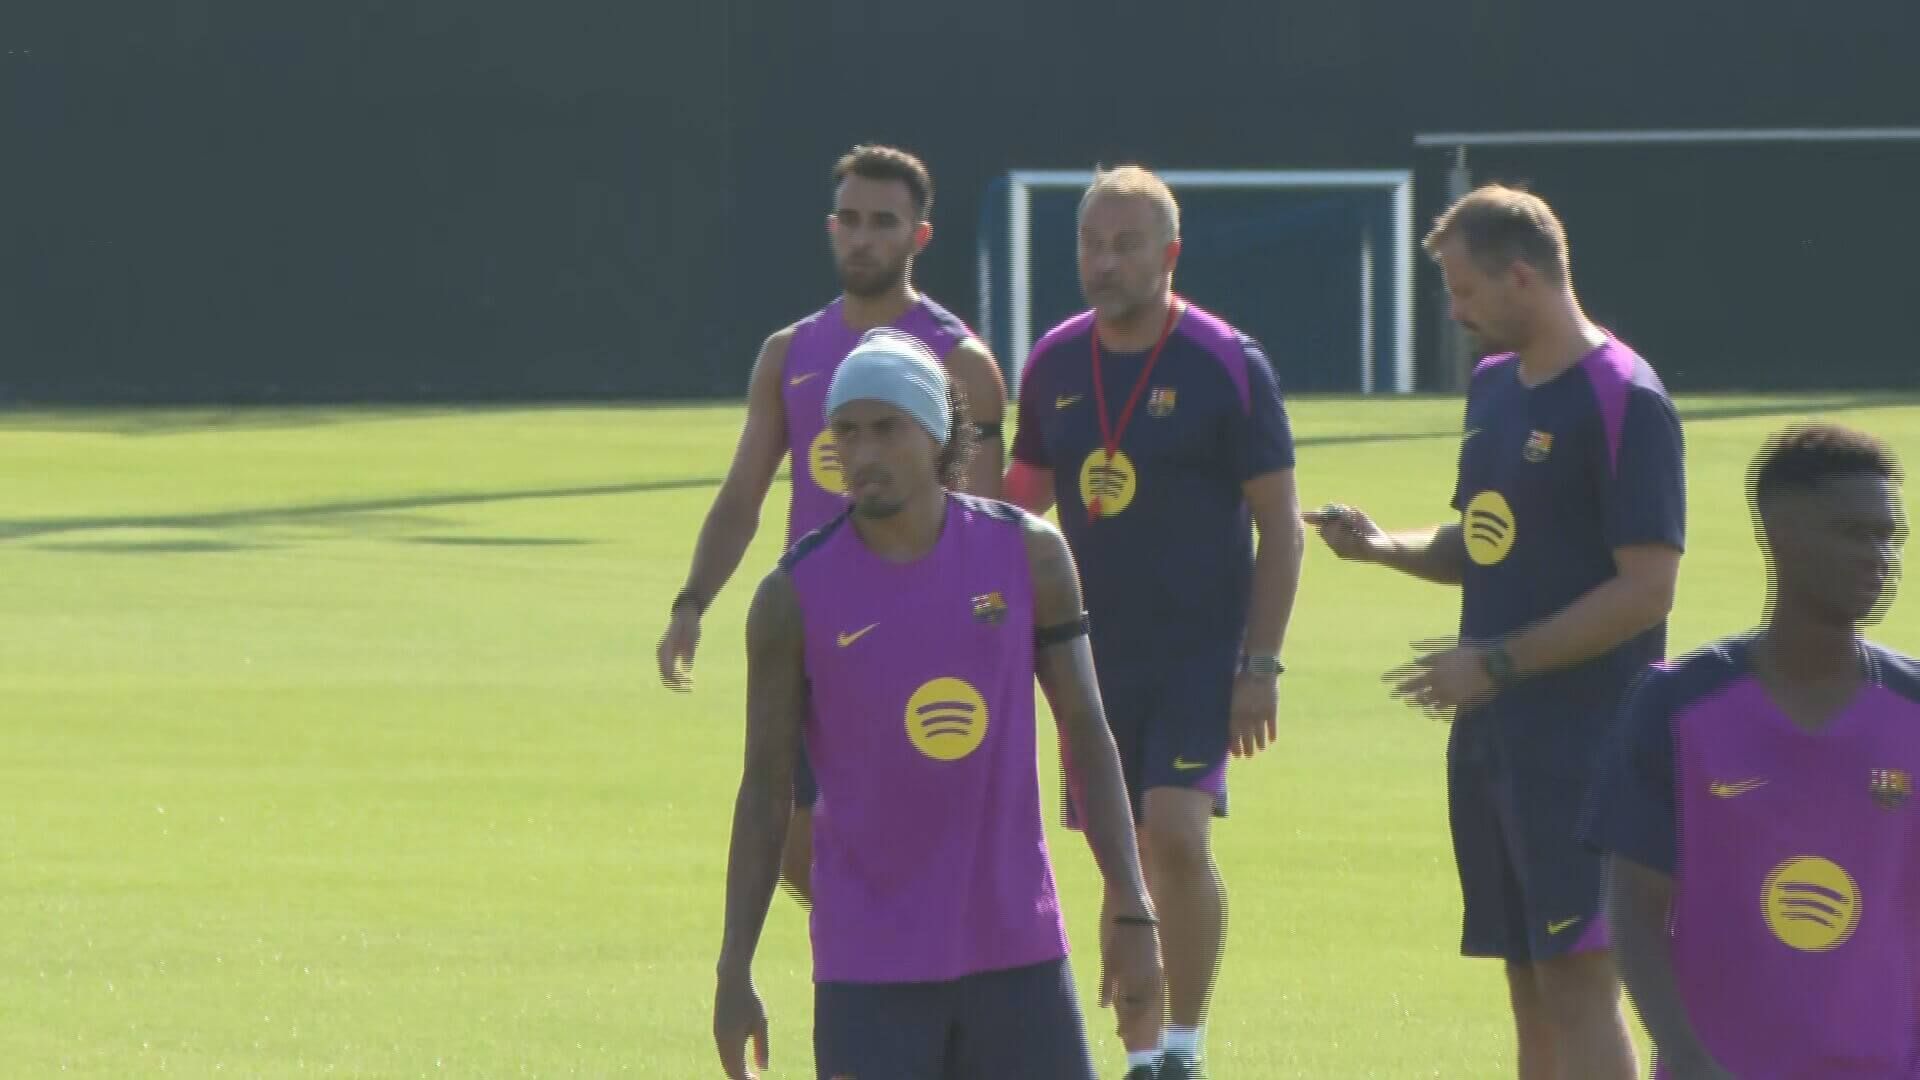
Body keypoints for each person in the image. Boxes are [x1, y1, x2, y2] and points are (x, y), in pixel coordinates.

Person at [1305, 185, 1684, 1079]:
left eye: (1465, 290)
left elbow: (1647, 590)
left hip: (1586, 746)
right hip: (1496, 742)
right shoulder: (1492, 388)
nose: (1456, 310)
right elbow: (1483, 539)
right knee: (1529, 985)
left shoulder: (1624, 397)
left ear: (1523, 275)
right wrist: (1382, 547)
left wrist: (1498, 664)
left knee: (1580, 981)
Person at [711, 331, 1162, 1080]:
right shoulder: (791, 597)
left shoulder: (1030, 555)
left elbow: (1085, 729)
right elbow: (765, 792)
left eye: (886, 427)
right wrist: (734, 969)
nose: (861, 452)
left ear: (937, 432)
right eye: (845, 431)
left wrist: (1131, 899)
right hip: (869, 970)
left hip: (1017, 950)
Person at [1005, 165, 1305, 1079]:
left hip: (1198, 654)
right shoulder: (1054, 361)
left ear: (1169, 254)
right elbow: (1016, 508)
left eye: (1126, 243)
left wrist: (1260, 665)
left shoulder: (1226, 362)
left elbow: (1282, 530)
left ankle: (1184, 1044)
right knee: (1118, 857)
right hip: (1088, 659)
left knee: (1173, 830)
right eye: (1091, 243)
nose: (1104, 261)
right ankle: (1138, 1060)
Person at [657, 145, 1008, 903]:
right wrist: (692, 601)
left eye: (883, 222)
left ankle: (916, 966)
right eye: (849, 220)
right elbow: (743, 494)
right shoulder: (790, 354)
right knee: (790, 837)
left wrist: (976, 634)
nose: (862, 237)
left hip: (925, 642)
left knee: (925, 834)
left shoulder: (962, 364)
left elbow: (985, 524)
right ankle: (887, 952)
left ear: (919, 237)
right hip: (817, 637)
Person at [1582, 423, 1916, 1079]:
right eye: (1856, 534)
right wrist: (1682, 1051)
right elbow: (1635, 907)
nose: (1882, 557)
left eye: (1890, 537)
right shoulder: (1675, 706)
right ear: (1783, 536)